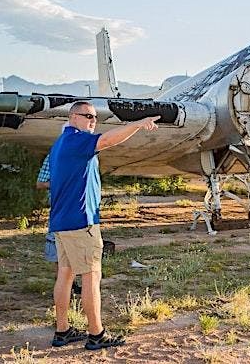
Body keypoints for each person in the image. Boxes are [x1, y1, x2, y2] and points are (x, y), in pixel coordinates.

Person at [48, 102, 159, 350]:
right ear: (73, 117)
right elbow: (108, 140)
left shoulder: (61, 143)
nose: (93, 120)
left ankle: (62, 331)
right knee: (91, 276)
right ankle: (96, 334)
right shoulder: (76, 141)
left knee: (65, 275)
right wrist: (138, 124)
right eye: (87, 116)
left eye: (95, 117)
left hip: (63, 222)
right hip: (80, 222)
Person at [36, 153, 81, 296]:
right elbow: (40, 183)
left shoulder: (84, 153)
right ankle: (62, 286)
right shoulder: (53, 157)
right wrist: (60, 182)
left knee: (75, 250)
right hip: (60, 210)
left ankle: (71, 284)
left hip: (78, 210)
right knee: (58, 250)